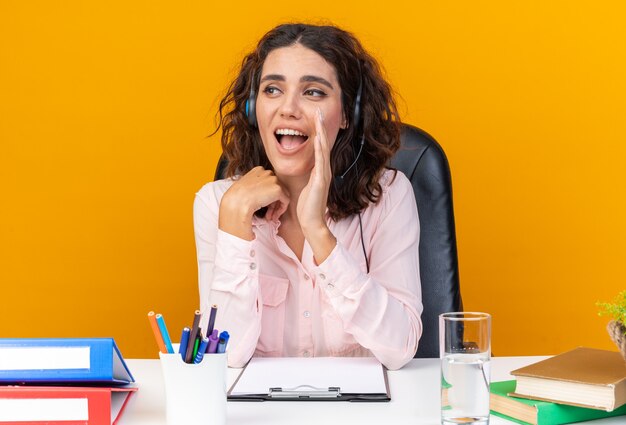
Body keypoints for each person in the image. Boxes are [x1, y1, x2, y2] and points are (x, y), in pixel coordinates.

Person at [194, 23, 422, 370]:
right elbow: (226, 358)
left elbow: (400, 348)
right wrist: (234, 224)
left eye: (313, 92)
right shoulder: (219, 204)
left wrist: (319, 233)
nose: (288, 108)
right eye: (273, 89)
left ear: (348, 114)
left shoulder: (389, 196)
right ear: (254, 108)